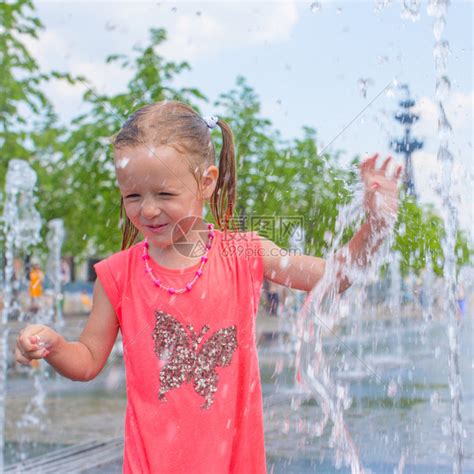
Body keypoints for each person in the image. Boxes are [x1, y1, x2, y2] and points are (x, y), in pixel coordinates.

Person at [15, 101, 402, 473]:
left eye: (164, 194)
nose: (147, 209)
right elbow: (87, 360)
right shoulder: (118, 274)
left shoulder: (244, 254)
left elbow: (336, 277)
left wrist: (375, 226)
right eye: (133, 195)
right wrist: (56, 346)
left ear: (206, 182)